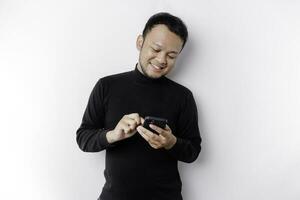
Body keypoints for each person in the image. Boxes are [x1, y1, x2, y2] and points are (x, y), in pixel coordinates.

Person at [76, 12, 202, 200]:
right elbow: (83, 138)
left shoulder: (182, 96)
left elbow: (193, 151)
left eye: (171, 55)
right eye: (156, 49)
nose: (161, 60)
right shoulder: (107, 86)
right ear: (140, 42)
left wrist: (170, 142)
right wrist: (113, 135)